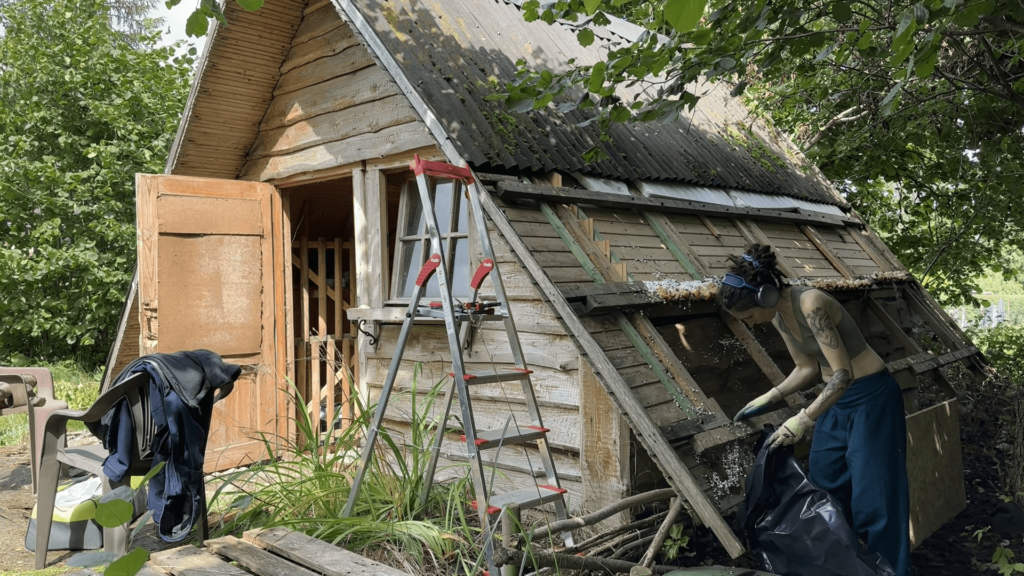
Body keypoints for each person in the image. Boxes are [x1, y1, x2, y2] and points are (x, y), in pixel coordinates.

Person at [720, 244, 910, 576]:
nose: (750, 324)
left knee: (876, 498)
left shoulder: (811, 303)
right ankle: (846, 566)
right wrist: (770, 396)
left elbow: (842, 374)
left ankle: (892, 570)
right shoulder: (779, 315)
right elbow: (806, 368)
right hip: (836, 401)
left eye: (748, 316)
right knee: (825, 482)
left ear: (764, 296)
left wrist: (804, 418)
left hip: (871, 398)